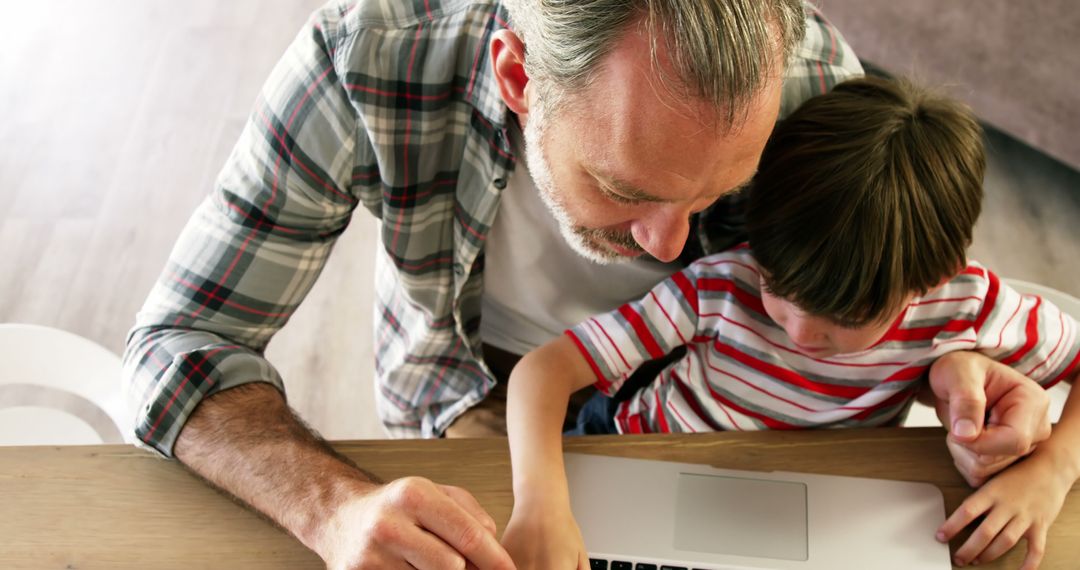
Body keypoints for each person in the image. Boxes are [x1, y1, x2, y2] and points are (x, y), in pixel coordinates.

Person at [119, 0, 1051, 567]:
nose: (671, 245)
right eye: (624, 189)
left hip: (749, 436)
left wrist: (952, 358)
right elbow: (178, 347)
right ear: (518, 75)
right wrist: (332, 506)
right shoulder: (364, 59)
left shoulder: (813, 87)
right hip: (466, 398)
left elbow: (885, 283)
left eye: (720, 196)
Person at [501, 76, 1079, 570]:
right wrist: (539, 501)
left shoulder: (962, 305)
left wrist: (1052, 470)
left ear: (932, 278)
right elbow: (543, 372)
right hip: (646, 456)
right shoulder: (724, 284)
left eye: (846, 319)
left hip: (829, 495)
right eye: (778, 289)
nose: (798, 333)